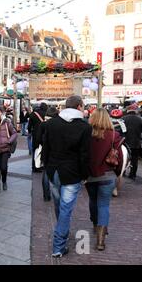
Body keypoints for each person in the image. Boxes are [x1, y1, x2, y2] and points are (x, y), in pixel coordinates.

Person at [41, 95, 92, 258]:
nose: (84, 109)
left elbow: (46, 147)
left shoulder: (51, 124)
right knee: (65, 209)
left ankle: (61, 232)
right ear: (78, 107)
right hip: (72, 172)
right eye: (83, 106)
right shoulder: (84, 127)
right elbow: (85, 155)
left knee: (60, 206)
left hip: (54, 170)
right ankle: (58, 245)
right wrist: (85, 175)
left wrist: (46, 167)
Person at [87, 109, 124, 251]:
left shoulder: (87, 134)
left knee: (93, 200)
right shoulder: (114, 135)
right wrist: (118, 173)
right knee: (104, 205)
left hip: (90, 175)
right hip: (108, 175)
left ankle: (96, 225)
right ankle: (100, 241)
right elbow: (119, 158)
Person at [0, 106, 17, 194]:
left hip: (5, 149)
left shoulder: (7, 122)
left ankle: (4, 181)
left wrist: (9, 141)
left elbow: (14, 133)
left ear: (2, 113)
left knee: (3, 168)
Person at [37, 106, 59, 202]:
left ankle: (46, 195)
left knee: (46, 173)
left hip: (46, 151)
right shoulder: (58, 124)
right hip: (56, 152)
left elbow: (38, 139)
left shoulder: (43, 124)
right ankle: (57, 193)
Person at [122, 104, 142, 179]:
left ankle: (123, 172)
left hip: (125, 143)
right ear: (135, 111)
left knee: (124, 158)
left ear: (128, 110)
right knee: (134, 159)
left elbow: (121, 131)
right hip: (136, 142)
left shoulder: (123, 119)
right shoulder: (140, 119)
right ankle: (133, 174)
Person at [28, 102, 48, 172]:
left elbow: (29, 126)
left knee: (36, 150)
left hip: (36, 135)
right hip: (45, 135)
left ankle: (35, 167)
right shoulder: (46, 114)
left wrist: (30, 132)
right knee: (44, 150)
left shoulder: (33, 114)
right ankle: (42, 165)